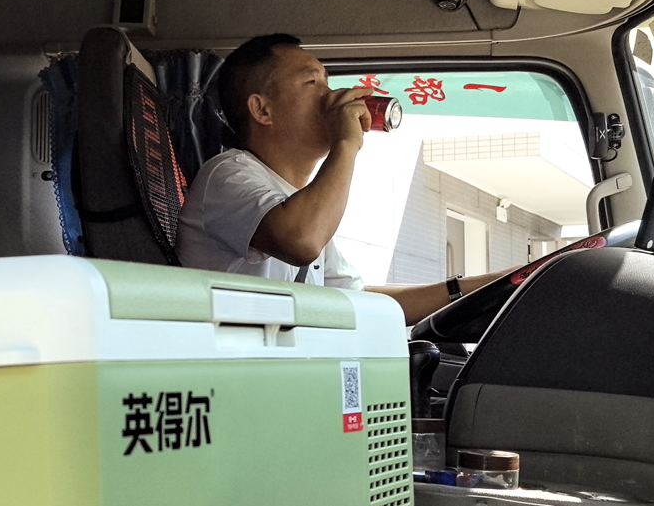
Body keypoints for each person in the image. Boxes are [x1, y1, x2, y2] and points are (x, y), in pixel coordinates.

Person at [176, 33, 514, 325]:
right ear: (262, 109)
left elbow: (358, 300)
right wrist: (346, 144)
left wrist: (482, 286)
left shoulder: (300, 203)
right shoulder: (227, 175)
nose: (331, 94)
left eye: (327, 81)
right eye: (312, 83)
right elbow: (301, 241)